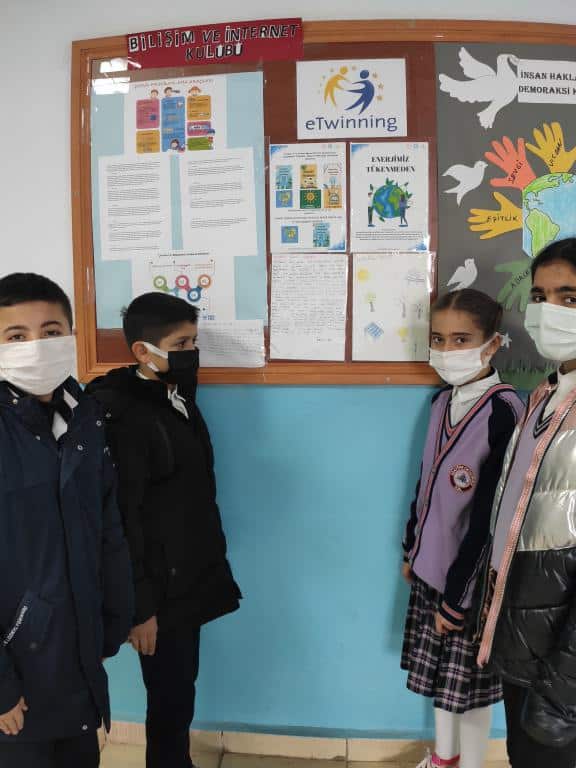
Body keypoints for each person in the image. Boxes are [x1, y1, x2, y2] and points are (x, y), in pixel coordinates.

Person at [86, 292, 241, 768]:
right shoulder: (125, 417)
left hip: (185, 577)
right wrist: (141, 609)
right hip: (156, 591)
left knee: (179, 693)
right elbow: (123, 517)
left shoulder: (175, 395)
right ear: (142, 351)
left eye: (194, 341)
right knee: (169, 700)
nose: (192, 352)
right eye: (181, 344)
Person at [0, 273, 133, 768]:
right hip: (16, 672)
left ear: (71, 336)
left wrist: (112, 622)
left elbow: (107, 528)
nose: (36, 346)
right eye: (16, 336)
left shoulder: (85, 418)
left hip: (77, 657)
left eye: (51, 331)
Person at [402, 288, 524, 768]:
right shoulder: (440, 403)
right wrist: (411, 547)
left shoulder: (504, 411)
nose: (447, 350)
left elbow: (491, 519)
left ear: (491, 344)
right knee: (442, 681)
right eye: (438, 339)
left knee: (471, 688)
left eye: (461, 339)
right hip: (431, 570)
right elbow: (426, 484)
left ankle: (469, 764)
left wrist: (458, 598)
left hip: (469, 583)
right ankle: (443, 758)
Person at [478, 237, 576, 768]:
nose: (547, 311)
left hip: (564, 670)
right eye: (539, 296)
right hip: (527, 642)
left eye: (570, 298)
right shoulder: (544, 394)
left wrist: (563, 689)